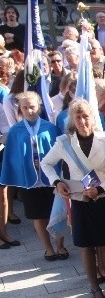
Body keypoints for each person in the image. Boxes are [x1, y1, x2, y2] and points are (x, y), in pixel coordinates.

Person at [41, 99, 105, 298]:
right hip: (80, 200)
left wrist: (100, 189)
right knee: (86, 246)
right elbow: (46, 164)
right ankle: (95, 288)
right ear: (72, 120)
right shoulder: (63, 142)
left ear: (92, 117)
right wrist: (57, 182)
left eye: (85, 116)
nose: (82, 120)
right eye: (78, 117)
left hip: (104, 199)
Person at [0, 91, 66, 261]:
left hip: (50, 180)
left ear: (39, 107)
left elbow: (59, 152)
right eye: (25, 107)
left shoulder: (49, 127)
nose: (29, 110)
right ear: (20, 109)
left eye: (32, 107)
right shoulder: (15, 130)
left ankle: (60, 245)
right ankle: (48, 248)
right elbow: (12, 156)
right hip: (29, 180)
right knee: (37, 215)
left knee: (56, 212)